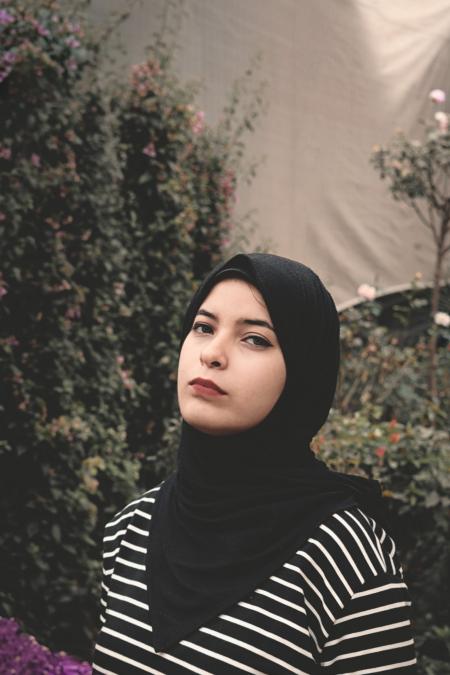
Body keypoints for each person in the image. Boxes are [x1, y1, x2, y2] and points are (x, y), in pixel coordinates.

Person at [92, 252, 417, 674]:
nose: (212, 353)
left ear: (303, 373)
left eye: (255, 339)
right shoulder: (130, 529)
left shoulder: (344, 558)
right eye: (203, 327)